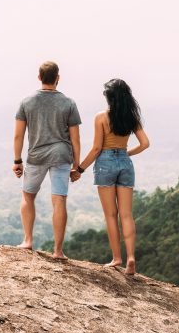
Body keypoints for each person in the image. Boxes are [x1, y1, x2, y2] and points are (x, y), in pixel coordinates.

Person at [75, 78, 150, 275]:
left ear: (109, 97)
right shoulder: (131, 118)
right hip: (125, 163)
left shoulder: (101, 117)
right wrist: (126, 154)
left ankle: (117, 258)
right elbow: (145, 143)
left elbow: (97, 148)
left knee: (111, 215)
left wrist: (80, 169)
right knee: (126, 214)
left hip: (105, 164)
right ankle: (131, 258)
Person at [12, 61, 82, 258]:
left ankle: (27, 240)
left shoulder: (27, 102)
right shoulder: (69, 103)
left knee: (28, 196)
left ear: (39, 77)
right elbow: (75, 139)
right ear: (58, 78)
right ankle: (58, 251)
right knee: (59, 200)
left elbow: (19, 136)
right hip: (62, 155)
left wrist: (17, 161)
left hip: (36, 156)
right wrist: (77, 166)